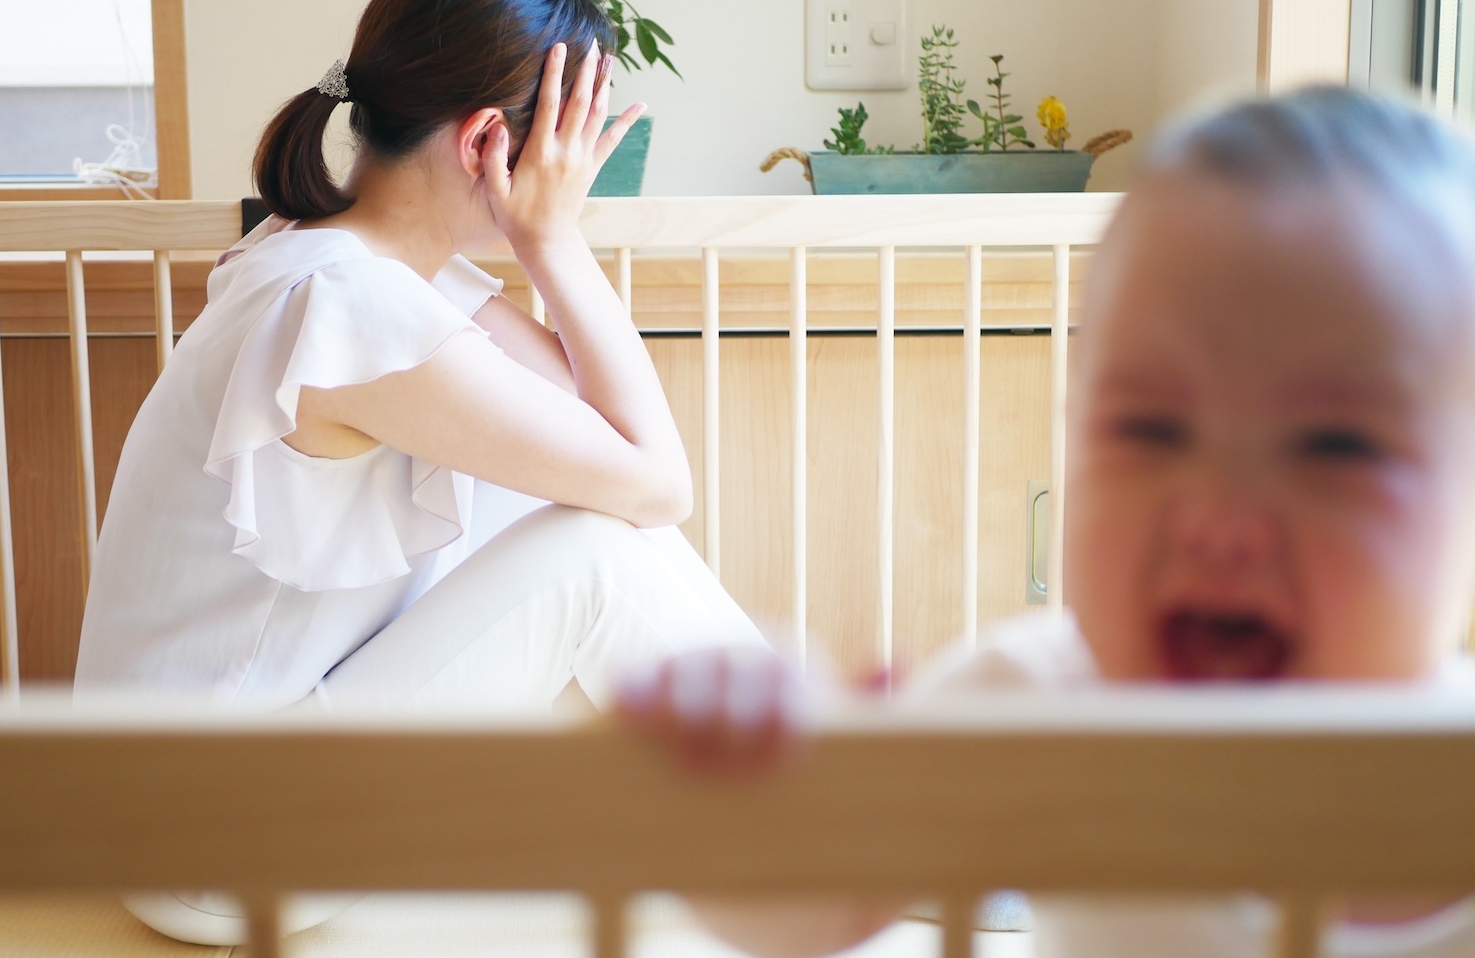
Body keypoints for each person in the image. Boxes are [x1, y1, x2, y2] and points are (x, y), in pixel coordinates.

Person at [618, 86, 1475, 958]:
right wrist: (756, 781)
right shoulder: (1028, 700)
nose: (1219, 520)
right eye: (1149, 429)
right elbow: (809, 914)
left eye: (1333, 447)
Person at [73, 0, 764, 944]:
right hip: (212, 849)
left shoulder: (331, 258)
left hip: (188, 814)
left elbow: (602, 436)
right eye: (565, 142)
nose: (575, 177)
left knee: (578, 506)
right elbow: (656, 482)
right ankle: (844, 821)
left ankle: (828, 800)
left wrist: (544, 240)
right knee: (602, 552)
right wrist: (555, 239)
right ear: (489, 138)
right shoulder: (352, 307)